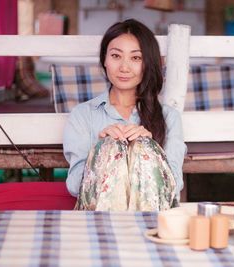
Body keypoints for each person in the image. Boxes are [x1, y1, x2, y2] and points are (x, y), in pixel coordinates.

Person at [63, 19, 186, 212]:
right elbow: (73, 185)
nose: (124, 67)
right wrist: (103, 148)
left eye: (136, 58)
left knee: (144, 148)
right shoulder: (83, 115)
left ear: (148, 63)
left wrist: (149, 149)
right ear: (105, 59)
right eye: (116, 56)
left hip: (152, 225)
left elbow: (175, 184)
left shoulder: (169, 117)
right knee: (109, 146)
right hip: (98, 224)